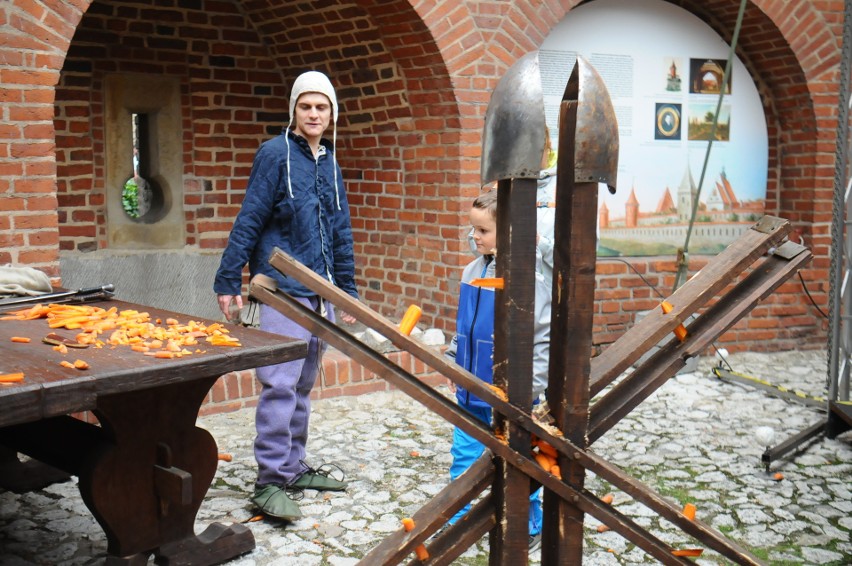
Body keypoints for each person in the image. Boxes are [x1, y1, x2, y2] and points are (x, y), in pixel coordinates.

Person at [213, 70, 358, 522]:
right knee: (279, 384)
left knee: (303, 383)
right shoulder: (274, 154)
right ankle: (269, 481)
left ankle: (293, 469)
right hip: (279, 291)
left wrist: (347, 289)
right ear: (293, 111)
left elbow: (340, 231)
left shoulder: (330, 162)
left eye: (322, 107)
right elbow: (251, 214)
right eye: (306, 106)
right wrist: (227, 278)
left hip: (319, 293)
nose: (314, 114)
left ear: (332, 114)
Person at [443, 189, 551, 551]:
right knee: (463, 456)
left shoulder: (527, 280)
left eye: (483, 231)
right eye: (472, 229)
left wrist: (528, 387)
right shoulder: (471, 270)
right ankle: (458, 520)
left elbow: (542, 339)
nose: (474, 237)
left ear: (507, 233)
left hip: (510, 395)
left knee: (519, 463)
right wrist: (455, 358)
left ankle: (530, 525)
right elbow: (465, 326)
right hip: (470, 389)